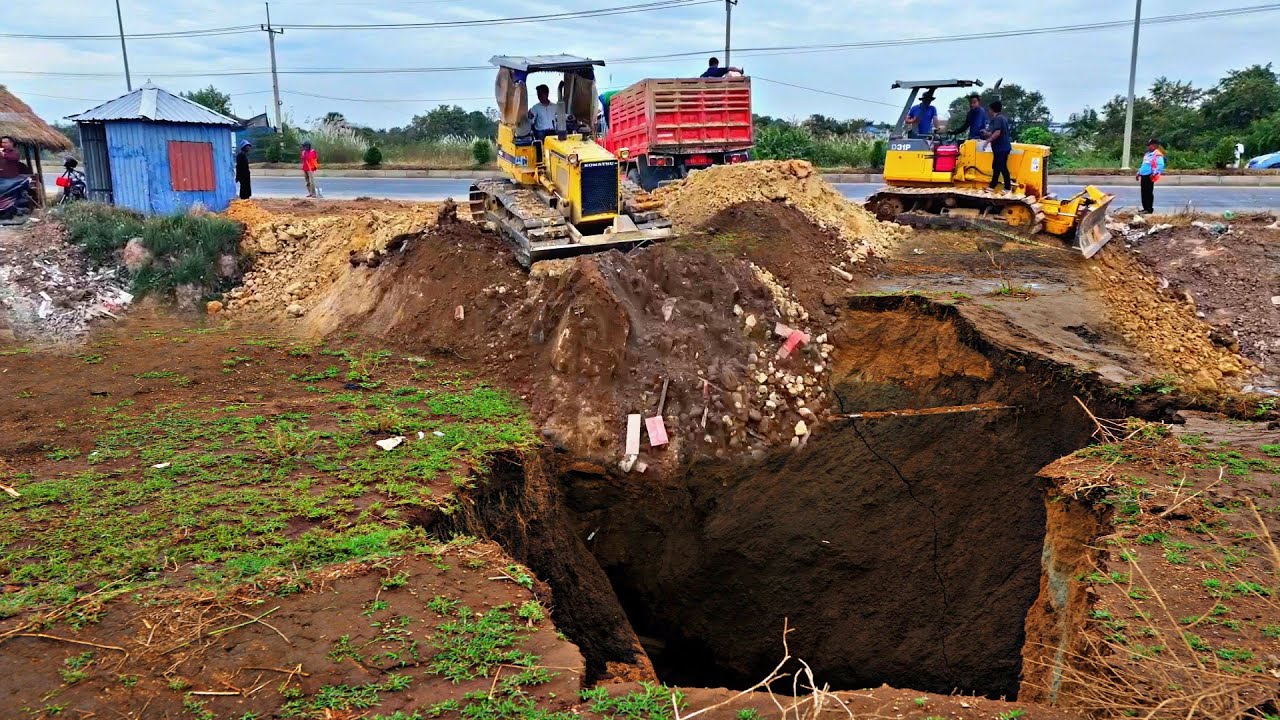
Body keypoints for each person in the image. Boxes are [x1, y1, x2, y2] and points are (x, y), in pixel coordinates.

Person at [984, 100, 1013, 193]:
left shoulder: (998, 119)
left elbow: (997, 133)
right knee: (996, 167)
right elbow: (995, 132)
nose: (989, 111)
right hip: (1001, 147)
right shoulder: (1002, 118)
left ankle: (1007, 188)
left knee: (1002, 167)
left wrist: (987, 141)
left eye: (989, 109)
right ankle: (992, 186)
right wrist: (987, 133)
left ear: (992, 110)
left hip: (1001, 148)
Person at [1136, 138, 1165, 215]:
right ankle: (1145, 208)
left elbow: (1160, 165)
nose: (1148, 147)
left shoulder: (1157, 154)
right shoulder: (1147, 154)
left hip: (1149, 176)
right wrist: (1138, 173)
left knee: (1148, 193)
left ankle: (1149, 209)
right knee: (1144, 192)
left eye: (1150, 145)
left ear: (1155, 146)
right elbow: (1144, 164)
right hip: (1143, 175)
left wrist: (1154, 173)